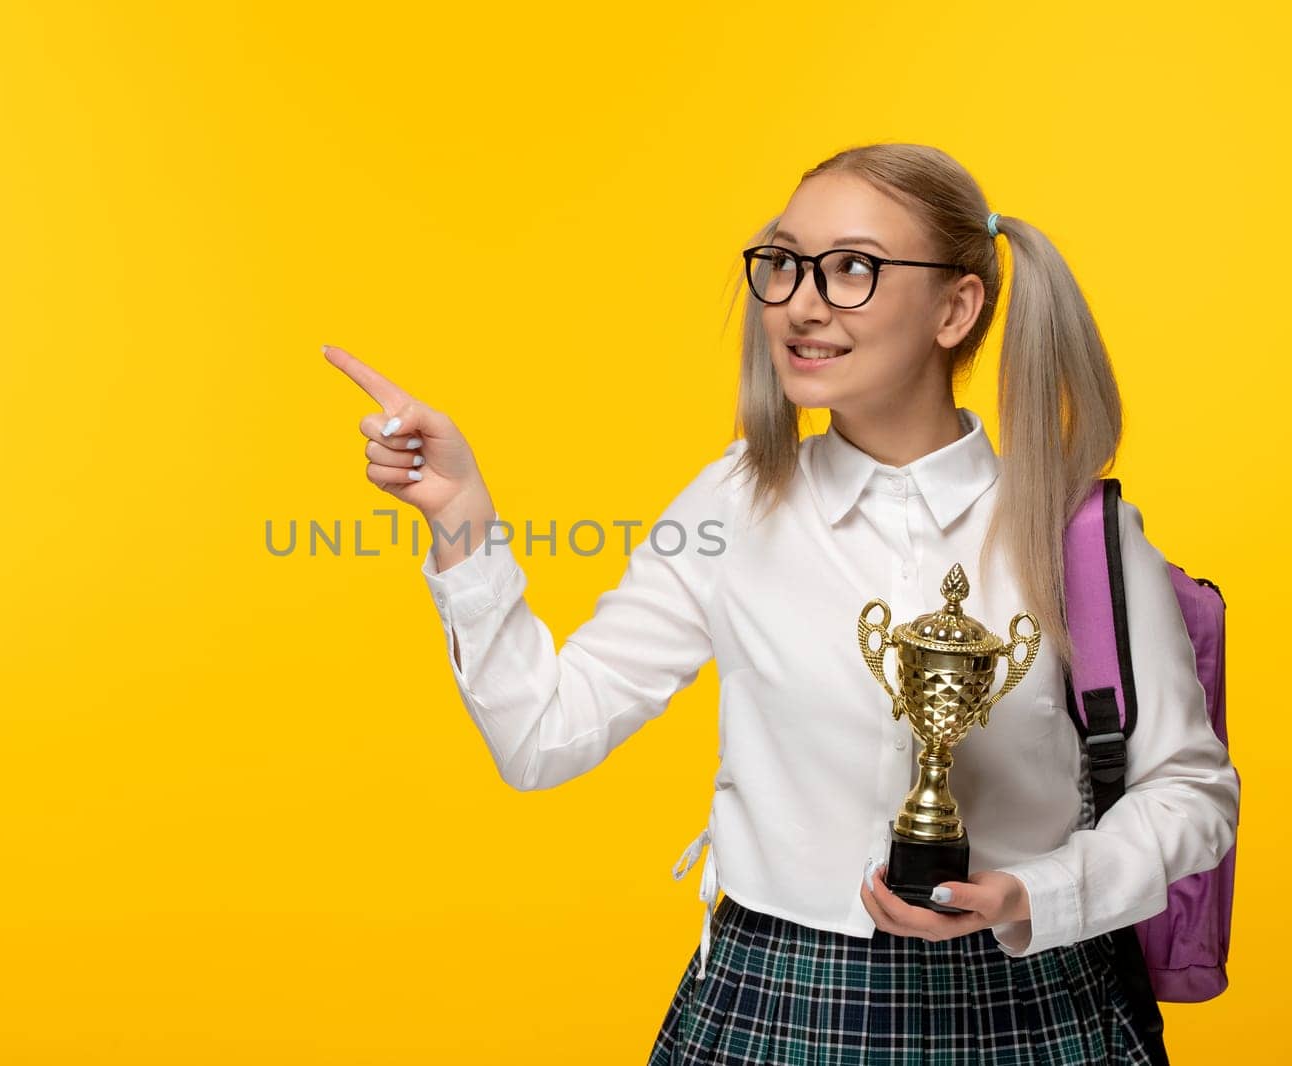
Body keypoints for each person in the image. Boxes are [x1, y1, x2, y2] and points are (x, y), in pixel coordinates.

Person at [323, 142, 1239, 1065]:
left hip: (1029, 1000)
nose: (800, 304)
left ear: (955, 308)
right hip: (780, 1000)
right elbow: (543, 738)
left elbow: (1194, 794)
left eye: (851, 269)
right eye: (783, 264)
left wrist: (1040, 893)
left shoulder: (1076, 529)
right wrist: (461, 524)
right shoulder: (731, 506)